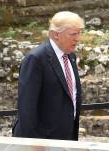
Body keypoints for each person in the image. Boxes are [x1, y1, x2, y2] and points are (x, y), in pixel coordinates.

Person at [12, 11, 84, 140]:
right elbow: (27, 106)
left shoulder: (70, 57)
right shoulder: (36, 59)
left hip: (66, 138)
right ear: (56, 34)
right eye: (73, 34)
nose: (77, 38)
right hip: (42, 140)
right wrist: (34, 146)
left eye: (79, 33)